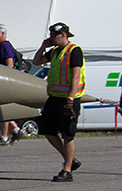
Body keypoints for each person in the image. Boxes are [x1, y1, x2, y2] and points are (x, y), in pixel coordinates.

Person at [32, 22, 85, 182]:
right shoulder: (55, 52)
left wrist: (70, 97)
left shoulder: (74, 51)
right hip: (54, 97)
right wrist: (43, 47)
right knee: (47, 130)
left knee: (68, 134)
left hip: (68, 99)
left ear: (63, 35)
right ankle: (70, 159)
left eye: (54, 37)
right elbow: (36, 61)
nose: (52, 39)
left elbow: (75, 76)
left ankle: (67, 170)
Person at [0, 23, 19, 144]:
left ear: (2, 34)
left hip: (5, 82)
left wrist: (6, 81)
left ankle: (4, 136)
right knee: (1, 108)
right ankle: (16, 129)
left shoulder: (5, 46)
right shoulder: (0, 47)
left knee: (3, 109)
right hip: (0, 81)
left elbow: (9, 64)